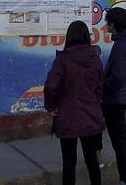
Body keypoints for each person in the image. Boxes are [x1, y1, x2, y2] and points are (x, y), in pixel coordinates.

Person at [44, 21, 104, 185]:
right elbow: (100, 87)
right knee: (92, 160)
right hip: (90, 114)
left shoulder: (62, 60)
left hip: (67, 116)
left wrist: (50, 107)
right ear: (86, 36)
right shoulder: (95, 58)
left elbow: (50, 86)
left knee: (69, 163)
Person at [102, 7, 126, 185]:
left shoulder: (120, 46)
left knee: (119, 142)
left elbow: (117, 77)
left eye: (107, 23)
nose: (105, 26)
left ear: (113, 25)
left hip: (116, 98)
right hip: (125, 95)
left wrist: (104, 91)